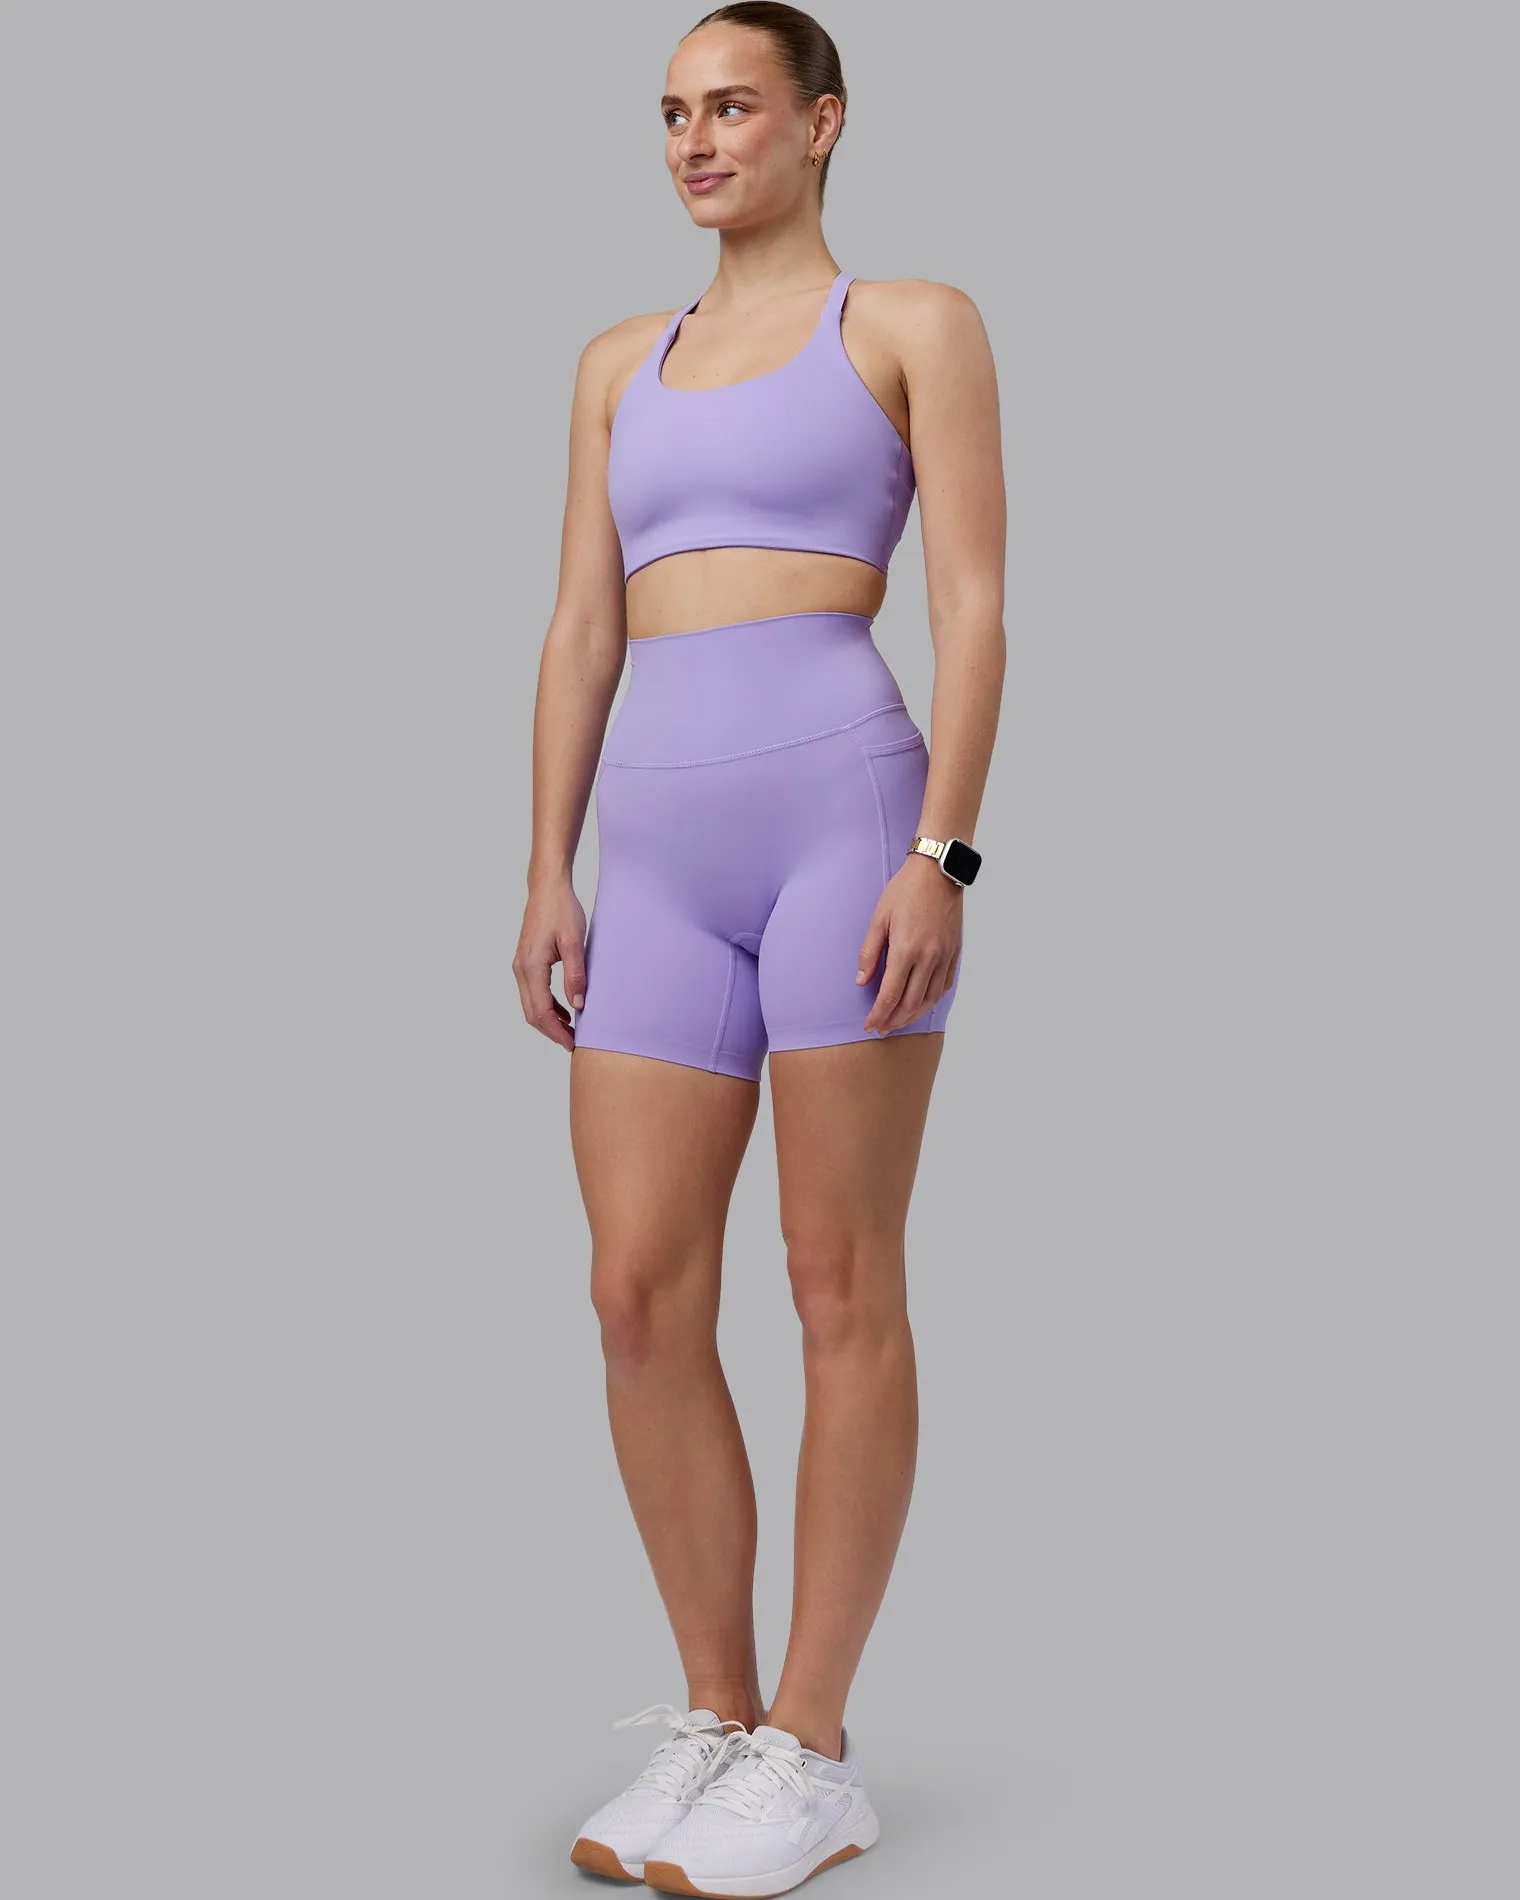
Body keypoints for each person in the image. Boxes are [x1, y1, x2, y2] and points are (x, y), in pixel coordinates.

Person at [513, 4, 1005, 1891]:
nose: (696, 141)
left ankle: (813, 1744)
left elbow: (975, 605)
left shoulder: (912, 324)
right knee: (637, 1294)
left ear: (823, 123)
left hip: (845, 824)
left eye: (731, 107)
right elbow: (580, 629)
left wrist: (944, 854)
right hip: (653, 853)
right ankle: (715, 1721)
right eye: (671, 114)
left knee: (834, 1277)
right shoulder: (613, 362)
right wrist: (547, 867)